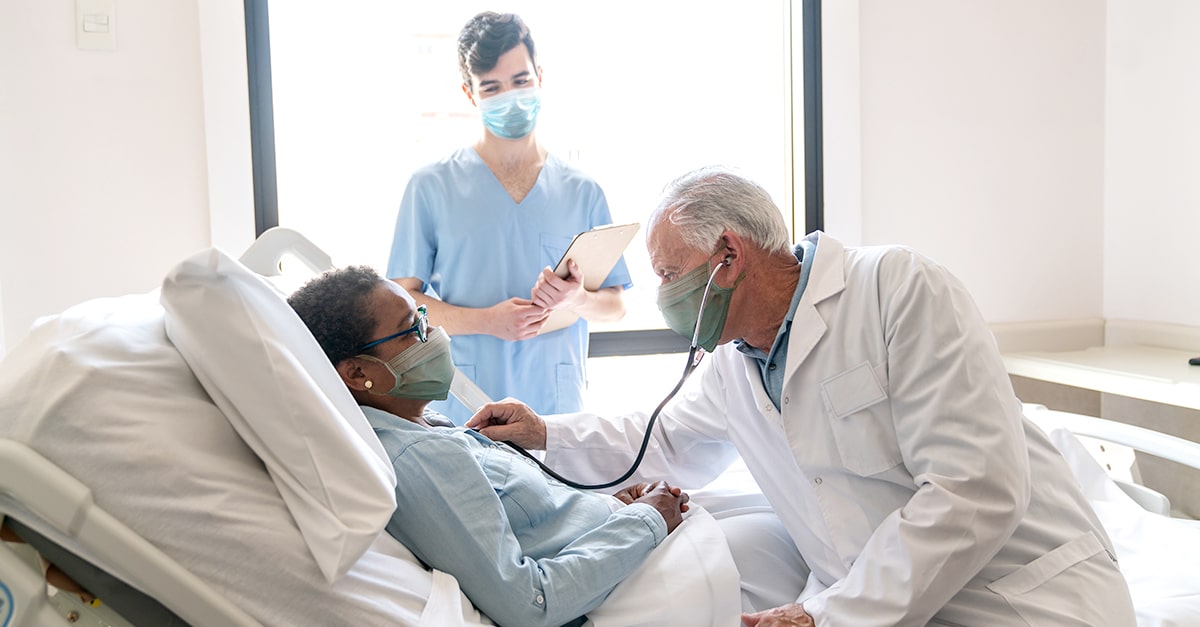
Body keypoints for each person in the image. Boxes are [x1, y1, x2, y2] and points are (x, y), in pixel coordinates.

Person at [467, 166, 1140, 626]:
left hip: (1023, 597)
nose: (665, 296)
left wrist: (830, 614)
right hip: (882, 603)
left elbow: (975, 487)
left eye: (671, 274)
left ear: (727, 256)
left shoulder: (897, 290)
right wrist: (541, 432)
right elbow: (660, 439)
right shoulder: (737, 363)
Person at [286, 265, 688, 627]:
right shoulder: (419, 458)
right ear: (357, 373)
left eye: (424, 318)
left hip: (630, 552)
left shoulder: (425, 430)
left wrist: (614, 507)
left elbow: (531, 525)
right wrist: (646, 521)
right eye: (413, 330)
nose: (434, 337)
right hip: (638, 585)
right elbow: (531, 603)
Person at [388, 11, 630, 425]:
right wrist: (487, 322)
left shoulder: (582, 191)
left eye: (520, 82)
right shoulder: (431, 187)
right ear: (469, 94)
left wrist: (579, 299)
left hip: (556, 410)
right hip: (465, 404)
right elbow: (402, 303)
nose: (511, 97)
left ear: (540, 76)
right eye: (492, 88)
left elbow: (616, 306)